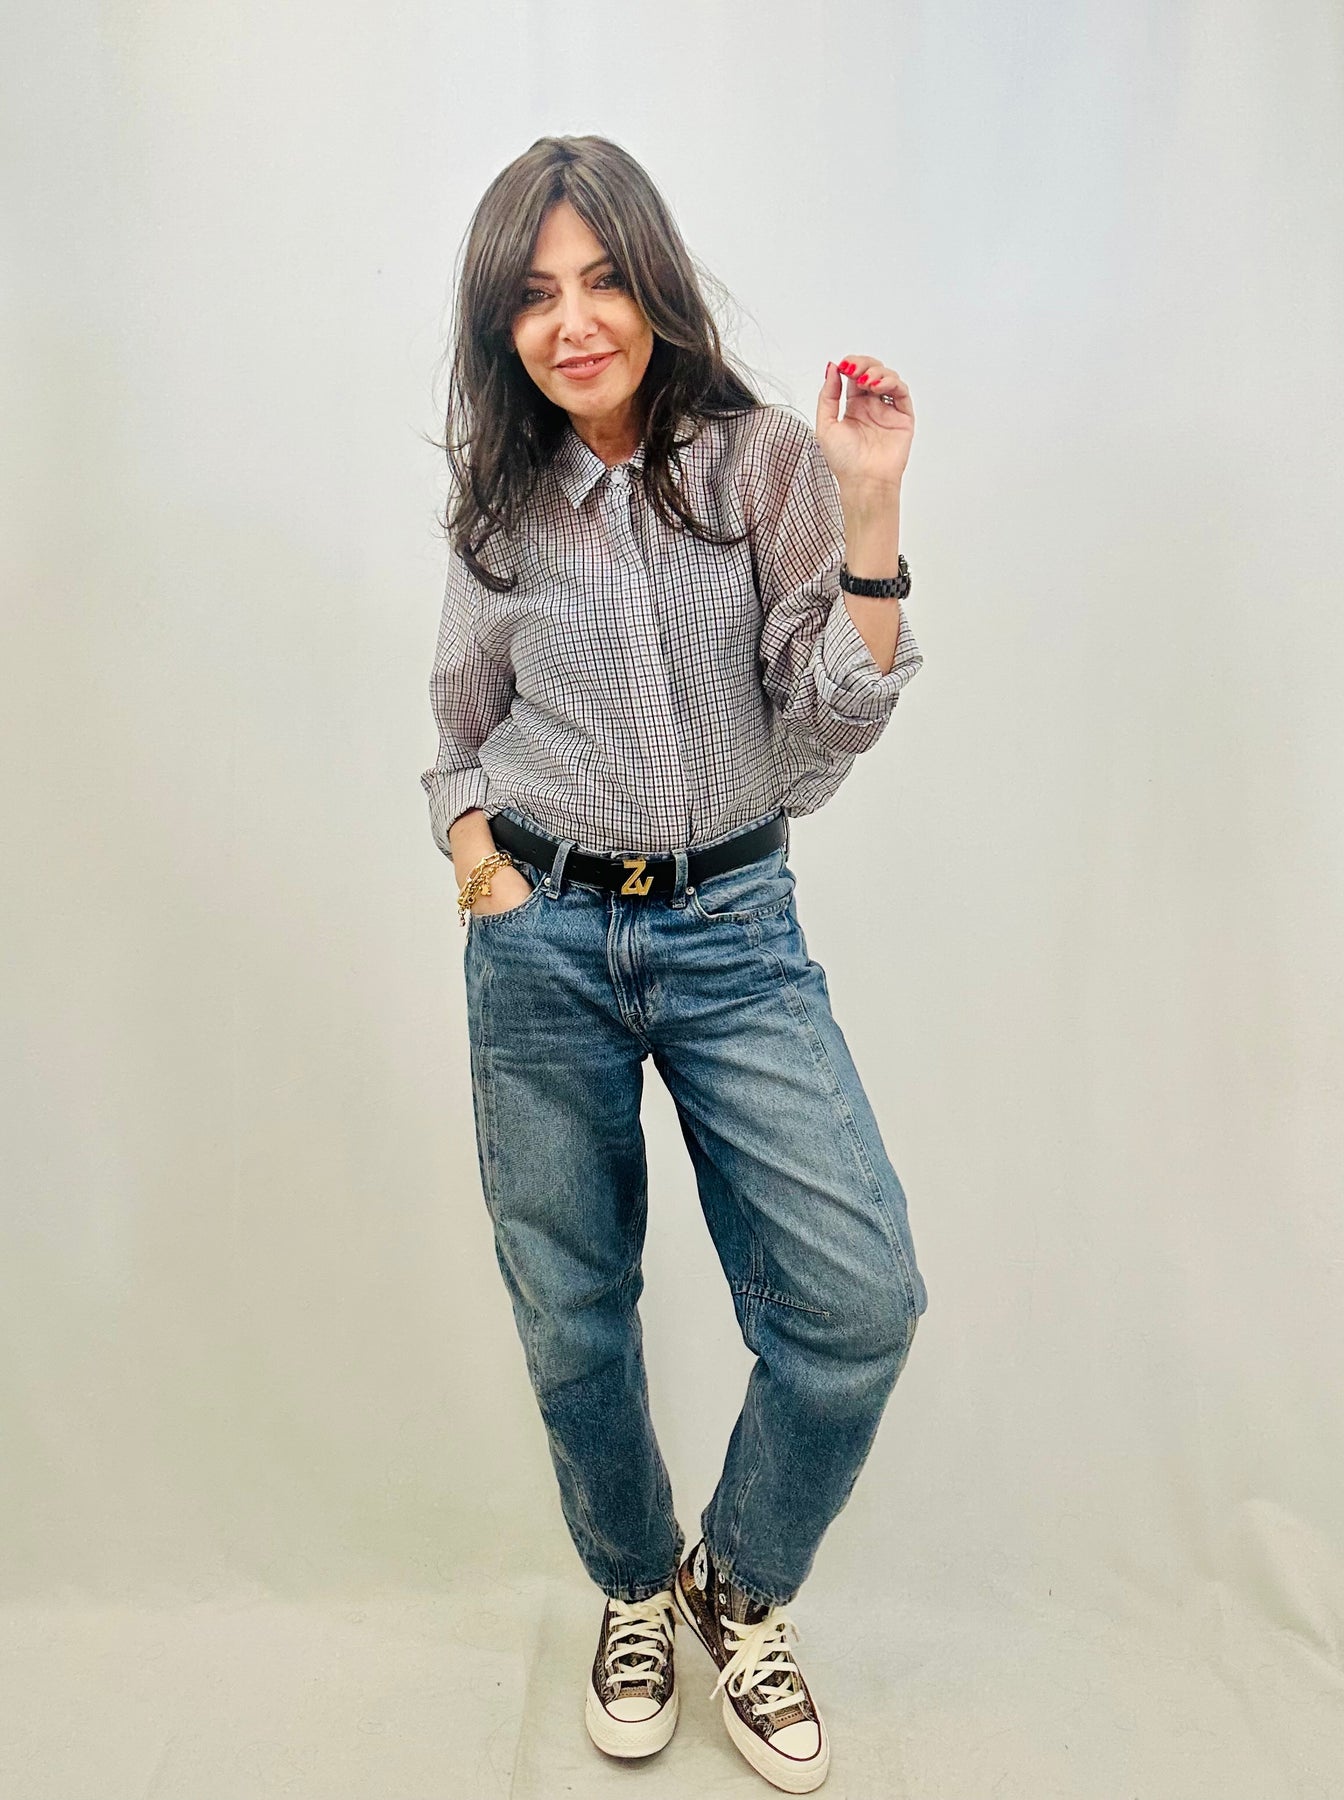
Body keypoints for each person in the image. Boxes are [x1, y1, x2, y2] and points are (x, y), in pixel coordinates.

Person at [420, 133, 928, 1795]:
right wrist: (486, 876)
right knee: (573, 1316)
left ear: (652, 283)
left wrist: (868, 511)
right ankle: (634, 1593)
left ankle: (735, 1587)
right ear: (501, 326)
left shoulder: (761, 461)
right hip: (541, 940)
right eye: (534, 296)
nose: (573, 322)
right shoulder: (499, 509)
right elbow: (457, 738)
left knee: (855, 1302)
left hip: (730, 934)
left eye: (600, 280)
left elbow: (832, 711)